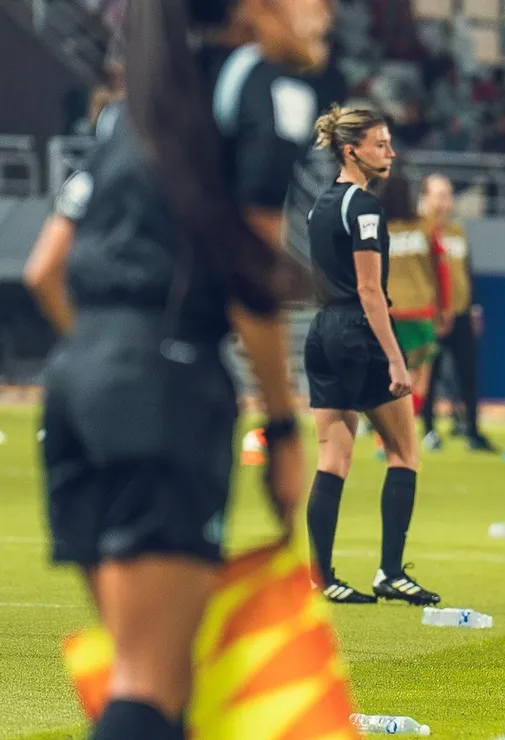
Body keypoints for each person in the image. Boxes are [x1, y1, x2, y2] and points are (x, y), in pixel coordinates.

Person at [21, 0, 329, 736]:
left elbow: (45, 271)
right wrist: (283, 428)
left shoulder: (143, 101)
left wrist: (110, 357)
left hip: (77, 387)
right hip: (163, 385)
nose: (327, 12)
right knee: (148, 689)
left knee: (159, 685)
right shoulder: (264, 84)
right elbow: (252, 276)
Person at [304, 104, 441, 607]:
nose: (390, 152)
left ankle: (322, 576)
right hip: (358, 333)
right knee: (405, 453)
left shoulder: (321, 204)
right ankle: (389, 572)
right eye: (380, 144)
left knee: (333, 458)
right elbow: (367, 290)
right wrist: (397, 360)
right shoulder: (363, 208)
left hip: (321, 332)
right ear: (351, 150)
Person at [419, 174, 498, 452]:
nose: (446, 201)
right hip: (432, 315)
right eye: (440, 194)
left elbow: (466, 271)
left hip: (461, 312)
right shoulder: (420, 231)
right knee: (428, 375)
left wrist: (474, 306)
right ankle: (427, 429)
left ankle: (473, 431)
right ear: (425, 198)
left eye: (449, 194)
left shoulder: (457, 231)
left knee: (469, 373)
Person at [371, 172, 446, 458]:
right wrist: (443, 307)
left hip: (387, 312)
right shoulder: (424, 227)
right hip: (419, 311)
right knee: (419, 377)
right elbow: (440, 271)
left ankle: (384, 439)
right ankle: (403, 434)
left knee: (387, 377)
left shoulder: (377, 228)